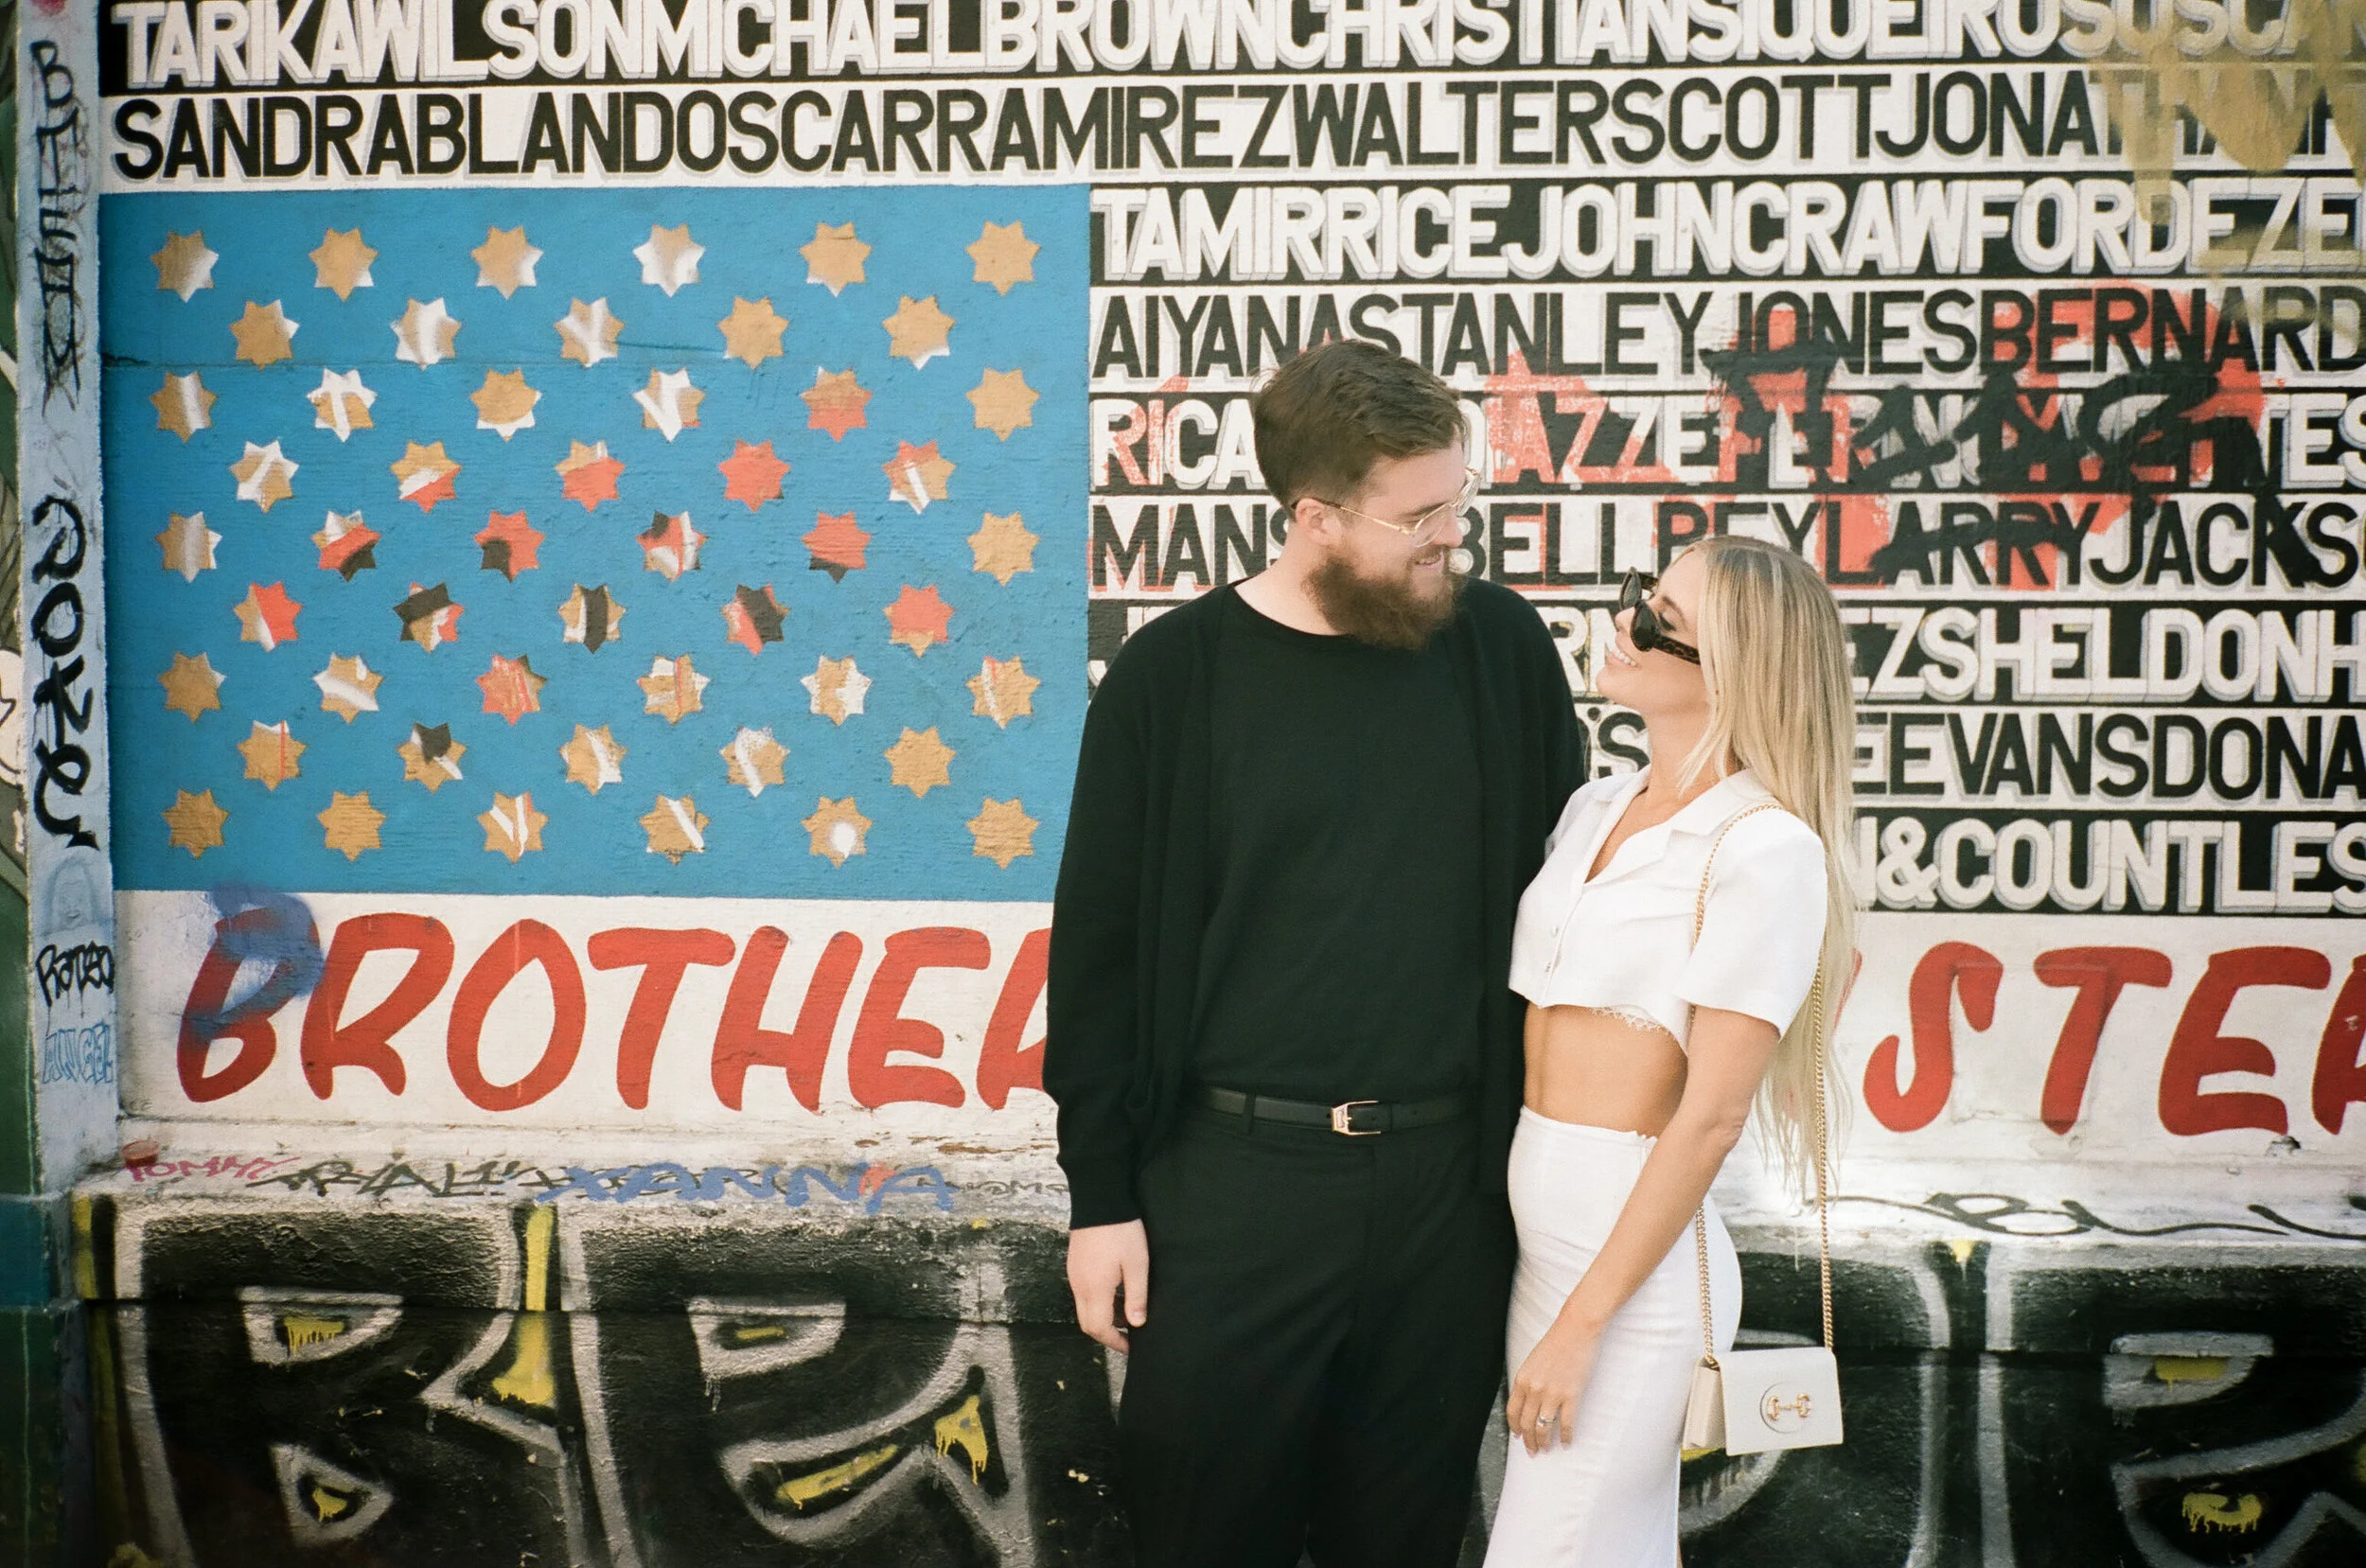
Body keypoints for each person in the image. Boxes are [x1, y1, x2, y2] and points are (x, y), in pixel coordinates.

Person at [1044, 340, 1584, 1568]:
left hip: (1449, 1192)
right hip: (1231, 1195)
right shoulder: (1173, 679)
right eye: (1421, 515)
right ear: (1315, 517)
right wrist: (1103, 1196)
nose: (1455, 533)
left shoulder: (1500, 654)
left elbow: (1570, 924)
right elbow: (1102, 954)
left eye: (1463, 500)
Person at [1482, 536, 1858, 1564]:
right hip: (1540, 1239)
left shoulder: (1763, 847)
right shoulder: (1594, 807)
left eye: (1662, 624)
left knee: (1549, 1547)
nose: (1625, 626)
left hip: (1631, 1275)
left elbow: (1712, 1116)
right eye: (1637, 600)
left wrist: (1582, 1325)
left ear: (1732, 673)